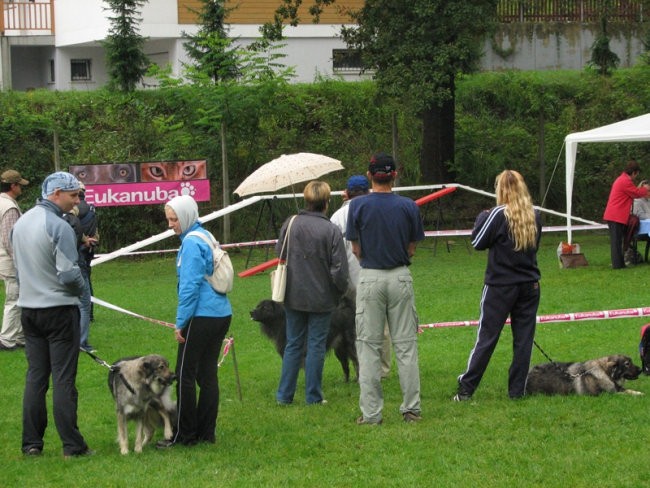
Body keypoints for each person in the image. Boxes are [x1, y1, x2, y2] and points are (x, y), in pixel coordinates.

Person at [12, 171, 92, 458]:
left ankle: (31, 443)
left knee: (35, 377)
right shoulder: (59, 226)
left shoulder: (21, 223)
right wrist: (83, 291)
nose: (77, 201)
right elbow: (70, 274)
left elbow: (18, 269)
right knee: (63, 378)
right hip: (59, 311)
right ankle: (72, 445)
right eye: (73, 195)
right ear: (56, 193)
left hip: (29, 311)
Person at [346, 153, 425, 424]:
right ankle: (411, 408)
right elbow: (412, 247)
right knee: (405, 345)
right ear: (394, 175)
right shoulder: (409, 206)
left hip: (369, 277)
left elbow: (355, 248)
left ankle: (371, 414)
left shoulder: (358, 207)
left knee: (368, 346)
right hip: (400, 276)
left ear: (370, 176)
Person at [454, 170, 542, 401]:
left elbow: (477, 242)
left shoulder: (496, 214)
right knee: (523, 339)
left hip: (500, 286)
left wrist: (482, 217)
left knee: (487, 337)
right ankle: (517, 390)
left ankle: (467, 388)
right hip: (529, 284)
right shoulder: (535, 215)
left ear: (500, 189)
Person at [159, 194, 232, 447]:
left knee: (184, 374)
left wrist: (181, 323)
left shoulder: (190, 243)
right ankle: (206, 432)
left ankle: (184, 435)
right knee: (208, 375)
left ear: (187, 216)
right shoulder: (206, 235)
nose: (171, 224)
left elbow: (189, 288)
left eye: (174, 219)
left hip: (202, 315)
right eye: (168, 219)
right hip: (221, 313)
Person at [275, 180, 348, 406]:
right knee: (316, 345)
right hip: (322, 297)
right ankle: (313, 396)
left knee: (293, 343)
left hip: (293, 294)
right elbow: (339, 269)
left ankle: (284, 396)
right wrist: (339, 291)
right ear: (327, 202)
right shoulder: (331, 230)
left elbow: (280, 251)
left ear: (307, 201)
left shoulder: (291, 223)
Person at [330, 175, 392, 378]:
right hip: (377, 273)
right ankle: (381, 369)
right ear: (367, 191)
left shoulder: (336, 217)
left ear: (346, 193)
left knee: (353, 329)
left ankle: (362, 368)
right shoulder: (377, 211)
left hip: (348, 282)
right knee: (380, 325)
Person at [63, 200, 97, 353]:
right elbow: (76, 241)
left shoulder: (55, 221)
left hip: (61, 267)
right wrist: (84, 243)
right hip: (77, 264)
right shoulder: (73, 221)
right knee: (84, 304)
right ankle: (82, 342)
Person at [0, 170, 28, 351]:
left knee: (18, 298)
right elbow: (10, 239)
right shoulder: (9, 207)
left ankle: (19, 336)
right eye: (19, 185)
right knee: (14, 299)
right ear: (13, 186)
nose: (21, 188)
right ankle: (7, 339)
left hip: (4, 259)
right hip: (9, 262)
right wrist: (21, 264)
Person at [603, 160, 650, 269]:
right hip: (615, 215)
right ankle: (617, 265)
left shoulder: (622, 179)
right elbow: (636, 193)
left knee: (617, 240)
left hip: (615, 215)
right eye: (636, 174)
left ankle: (620, 264)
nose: (635, 177)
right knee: (616, 241)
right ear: (634, 172)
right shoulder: (625, 181)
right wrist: (646, 189)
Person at [76, 183, 99, 322]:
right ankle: (89, 313)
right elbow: (96, 231)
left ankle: (82, 313)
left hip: (77, 248)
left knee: (79, 281)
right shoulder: (92, 208)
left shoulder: (73, 209)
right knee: (87, 281)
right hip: (89, 249)